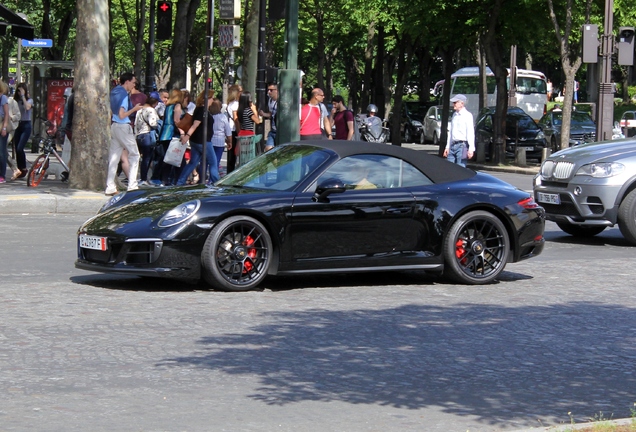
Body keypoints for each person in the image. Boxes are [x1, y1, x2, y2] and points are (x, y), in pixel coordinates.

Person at [105, 72, 142, 195]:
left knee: (114, 157)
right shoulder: (124, 96)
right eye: (133, 82)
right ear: (127, 82)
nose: (134, 85)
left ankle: (110, 186)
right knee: (135, 155)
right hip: (123, 126)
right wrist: (134, 109)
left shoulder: (114, 92)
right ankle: (132, 185)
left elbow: (114, 112)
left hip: (114, 126)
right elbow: (122, 115)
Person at [176, 89, 219, 186]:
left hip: (196, 141)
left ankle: (180, 181)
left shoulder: (200, 109)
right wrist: (187, 136)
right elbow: (195, 125)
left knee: (193, 162)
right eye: (212, 98)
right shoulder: (202, 110)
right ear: (207, 99)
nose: (213, 100)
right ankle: (217, 183)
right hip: (202, 141)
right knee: (213, 162)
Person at [151, 89, 185, 186]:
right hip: (172, 134)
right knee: (178, 159)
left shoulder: (168, 106)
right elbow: (176, 120)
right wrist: (182, 133)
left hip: (164, 134)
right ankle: (178, 181)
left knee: (168, 159)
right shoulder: (177, 106)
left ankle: (165, 180)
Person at [443, 94, 474, 167]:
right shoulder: (454, 115)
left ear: (462, 103)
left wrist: (471, 149)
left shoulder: (467, 115)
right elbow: (450, 132)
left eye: (455, 102)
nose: (453, 104)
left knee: (460, 169)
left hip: (462, 145)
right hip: (452, 145)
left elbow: (470, 132)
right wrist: (447, 147)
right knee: (449, 168)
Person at [134, 96, 160, 185]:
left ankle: (142, 178)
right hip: (147, 135)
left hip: (139, 135)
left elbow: (136, 124)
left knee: (142, 158)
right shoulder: (151, 110)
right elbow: (152, 123)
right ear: (154, 102)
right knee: (147, 158)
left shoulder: (139, 110)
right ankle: (144, 178)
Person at [12, 82, 33, 179]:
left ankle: (24, 168)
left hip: (26, 125)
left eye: (21, 90)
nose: (20, 93)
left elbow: (27, 107)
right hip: (18, 125)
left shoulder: (29, 100)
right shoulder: (15, 101)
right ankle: (19, 169)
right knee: (17, 148)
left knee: (20, 148)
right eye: (18, 91)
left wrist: (24, 96)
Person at [211, 99, 232, 176]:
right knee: (216, 161)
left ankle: (208, 178)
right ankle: (213, 178)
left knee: (210, 161)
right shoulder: (223, 117)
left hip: (210, 141)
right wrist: (229, 141)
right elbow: (228, 132)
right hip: (220, 142)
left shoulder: (210, 117)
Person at [225, 84, 241, 173]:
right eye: (240, 91)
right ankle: (231, 173)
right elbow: (236, 119)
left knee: (231, 154)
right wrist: (239, 132)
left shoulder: (229, 104)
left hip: (229, 129)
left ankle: (229, 171)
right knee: (234, 154)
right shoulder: (236, 104)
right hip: (234, 130)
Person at [259, 82, 278, 151]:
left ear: (277, 91)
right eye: (268, 90)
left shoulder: (281, 101)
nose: (269, 92)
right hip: (272, 130)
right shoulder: (270, 101)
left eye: (271, 90)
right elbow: (271, 114)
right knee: (268, 150)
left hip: (279, 132)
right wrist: (264, 114)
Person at [0, 80, 11, 184]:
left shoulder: (2, 98)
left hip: (1, 127)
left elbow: (7, 114)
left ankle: (2, 175)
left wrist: (4, 128)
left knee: (1, 152)